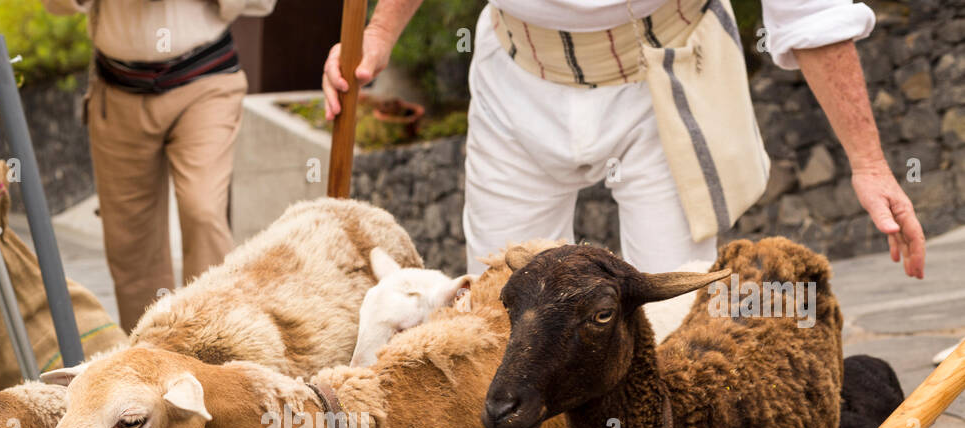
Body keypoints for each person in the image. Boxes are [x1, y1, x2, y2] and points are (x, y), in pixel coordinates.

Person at [323, 0, 926, 279]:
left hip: (666, 77)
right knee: (507, 305)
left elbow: (810, 12)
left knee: (670, 309)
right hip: (515, 75)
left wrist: (869, 164)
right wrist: (377, 34)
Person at [43, 0, 276, 330]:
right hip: (118, 89)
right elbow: (56, 5)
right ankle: (151, 358)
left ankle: (215, 344)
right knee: (130, 243)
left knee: (203, 210)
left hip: (205, 82)